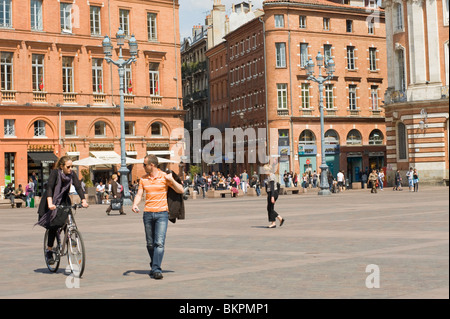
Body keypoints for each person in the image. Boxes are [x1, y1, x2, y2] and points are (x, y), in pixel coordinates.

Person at [132, 155, 184, 280]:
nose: (143, 167)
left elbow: (181, 190)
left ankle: (156, 269)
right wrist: (135, 204)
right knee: (150, 244)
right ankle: (154, 264)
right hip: (148, 214)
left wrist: (171, 180)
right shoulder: (143, 179)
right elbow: (139, 194)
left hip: (162, 214)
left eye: (144, 165)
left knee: (159, 243)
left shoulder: (165, 177)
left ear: (152, 165)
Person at [36, 156, 88, 265]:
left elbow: (78, 187)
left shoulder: (72, 174)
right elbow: (49, 187)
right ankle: (49, 251)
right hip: (51, 200)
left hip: (64, 200)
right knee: (54, 226)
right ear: (62, 166)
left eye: (72, 166)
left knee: (70, 221)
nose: (70, 169)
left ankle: (70, 238)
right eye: (68, 167)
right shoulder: (55, 173)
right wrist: (50, 203)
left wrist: (83, 200)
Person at [264, 164, 285, 229]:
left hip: (273, 193)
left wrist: (272, 196)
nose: (264, 172)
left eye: (265, 170)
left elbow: (272, 187)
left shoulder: (271, 176)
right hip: (271, 193)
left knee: (270, 208)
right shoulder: (269, 176)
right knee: (269, 208)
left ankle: (277, 220)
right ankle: (274, 221)